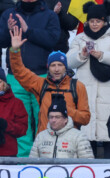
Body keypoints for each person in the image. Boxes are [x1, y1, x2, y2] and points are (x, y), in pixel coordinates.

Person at [0, 0, 61, 154]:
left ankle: (44, 158)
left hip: (41, 76)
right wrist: (9, 31)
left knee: (45, 120)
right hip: (15, 78)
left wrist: (28, 31)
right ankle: (22, 159)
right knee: (19, 121)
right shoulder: (9, 14)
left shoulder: (49, 15)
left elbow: (52, 40)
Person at [7, 25, 89, 155]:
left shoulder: (77, 86)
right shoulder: (42, 84)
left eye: (60, 65)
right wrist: (15, 51)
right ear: (48, 67)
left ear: (65, 67)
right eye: (53, 65)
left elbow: (85, 118)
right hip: (45, 143)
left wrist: (67, 111)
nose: (56, 69)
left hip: (69, 146)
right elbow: (20, 73)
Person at [68, 1, 110, 152]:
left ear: (105, 21)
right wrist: (81, 55)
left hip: (108, 93)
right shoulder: (79, 39)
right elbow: (68, 62)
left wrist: (102, 55)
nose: (94, 24)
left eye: (98, 21)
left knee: (109, 134)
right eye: (92, 21)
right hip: (85, 92)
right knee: (86, 140)